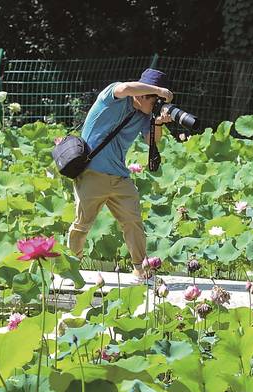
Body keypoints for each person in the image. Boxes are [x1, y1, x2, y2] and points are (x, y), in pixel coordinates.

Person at [66, 68, 173, 284]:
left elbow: (152, 141)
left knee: (133, 221)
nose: (156, 106)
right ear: (144, 94)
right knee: (82, 224)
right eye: (155, 101)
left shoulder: (144, 116)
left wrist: (159, 122)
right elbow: (125, 87)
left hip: (119, 177)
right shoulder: (112, 97)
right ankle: (70, 270)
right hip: (92, 173)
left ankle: (140, 270)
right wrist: (160, 90)